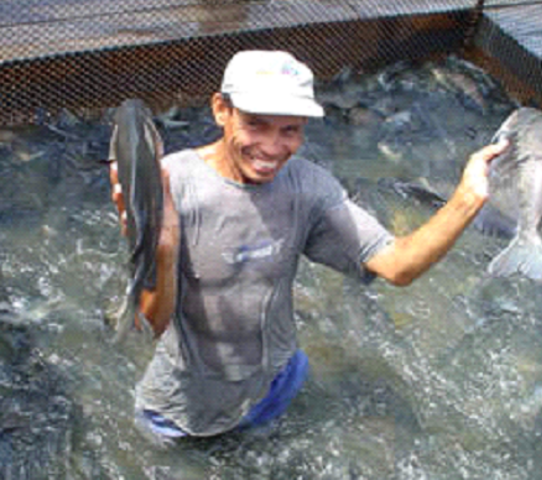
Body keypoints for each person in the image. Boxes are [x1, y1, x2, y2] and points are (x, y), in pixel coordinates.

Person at [109, 50, 508, 444]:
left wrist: (467, 199)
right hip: (184, 409)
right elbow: (149, 326)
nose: (271, 147)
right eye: (255, 125)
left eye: (290, 130)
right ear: (220, 110)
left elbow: (398, 265)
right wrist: (163, 249)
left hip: (277, 379)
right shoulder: (169, 187)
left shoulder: (309, 187)